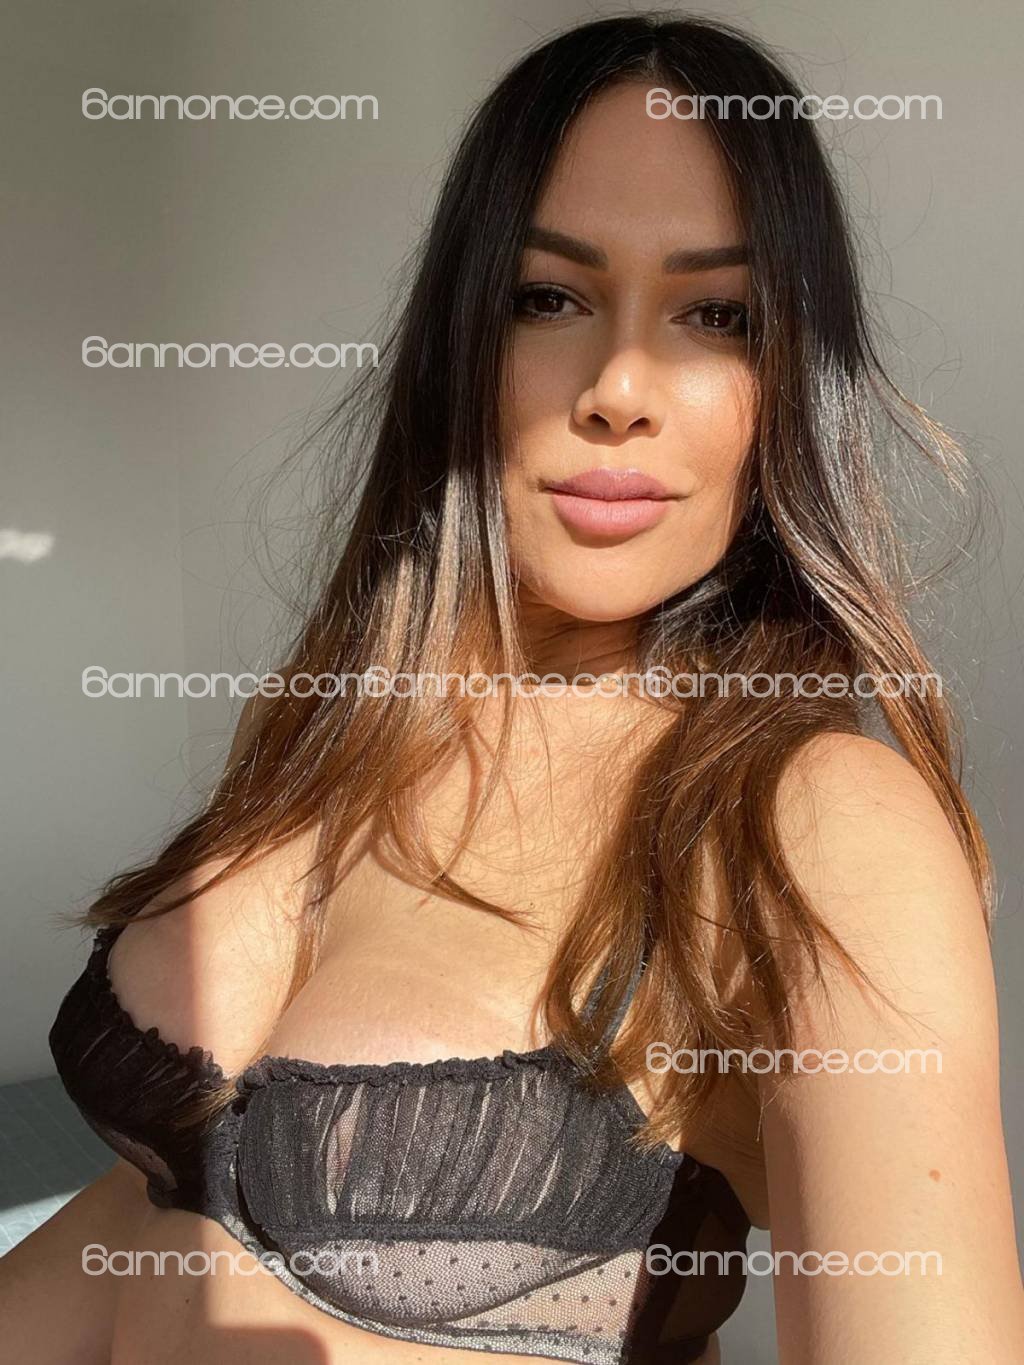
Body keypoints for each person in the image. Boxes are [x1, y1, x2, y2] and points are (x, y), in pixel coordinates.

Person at [3, 14, 1020, 1364]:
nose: (619, 387)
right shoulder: (340, 724)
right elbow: (170, 1206)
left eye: (718, 316)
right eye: (549, 297)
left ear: (788, 389)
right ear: (461, 337)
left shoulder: (814, 823)